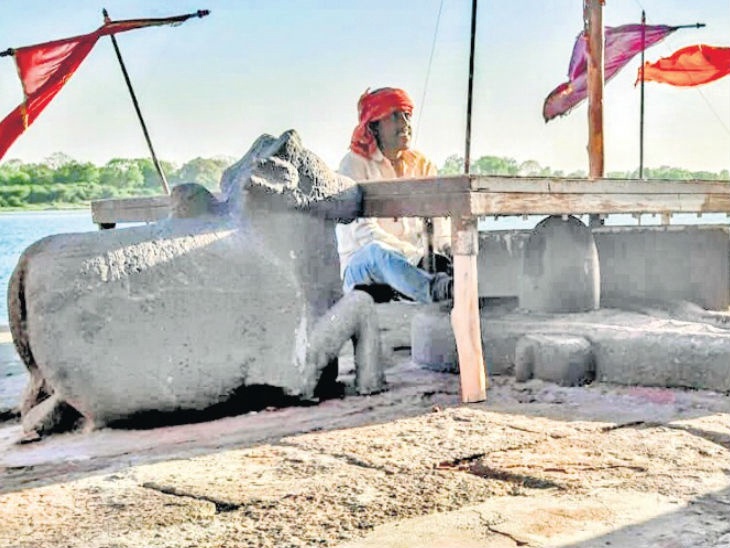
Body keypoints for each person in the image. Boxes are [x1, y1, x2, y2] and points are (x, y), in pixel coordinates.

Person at [335, 87, 452, 304]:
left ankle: (450, 287)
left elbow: (440, 223)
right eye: (395, 116)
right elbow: (364, 234)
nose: (405, 123)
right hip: (365, 269)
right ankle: (438, 291)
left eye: (407, 115)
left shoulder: (422, 165)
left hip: (417, 265)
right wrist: (414, 257)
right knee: (376, 252)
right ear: (374, 126)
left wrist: (447, 249)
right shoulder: (353, 164)